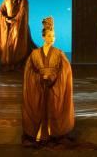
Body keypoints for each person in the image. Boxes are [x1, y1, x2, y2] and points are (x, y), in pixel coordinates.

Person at [21, 16, 75, 146]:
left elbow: (66, 71)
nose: (52, 38)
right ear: (43, 37)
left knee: (54, 108)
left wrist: (53, 77)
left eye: (54, 36)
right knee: (39, 108)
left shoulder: (59, 53)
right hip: (39, 86)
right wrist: (39, 78)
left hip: (54, 86)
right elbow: (29, 72)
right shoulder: (34, 54)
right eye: (49, 36)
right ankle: (39, 133)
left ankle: (54, 133)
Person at [0, 0, 35, 70]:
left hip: (20, 27)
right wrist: (5, 19)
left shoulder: (24, 0)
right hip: (7, 27)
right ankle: (8, 63)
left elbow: (22, 14)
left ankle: (17, 62)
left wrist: (13, 20)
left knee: (18, 46)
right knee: (8, 46)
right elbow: (0, 11)